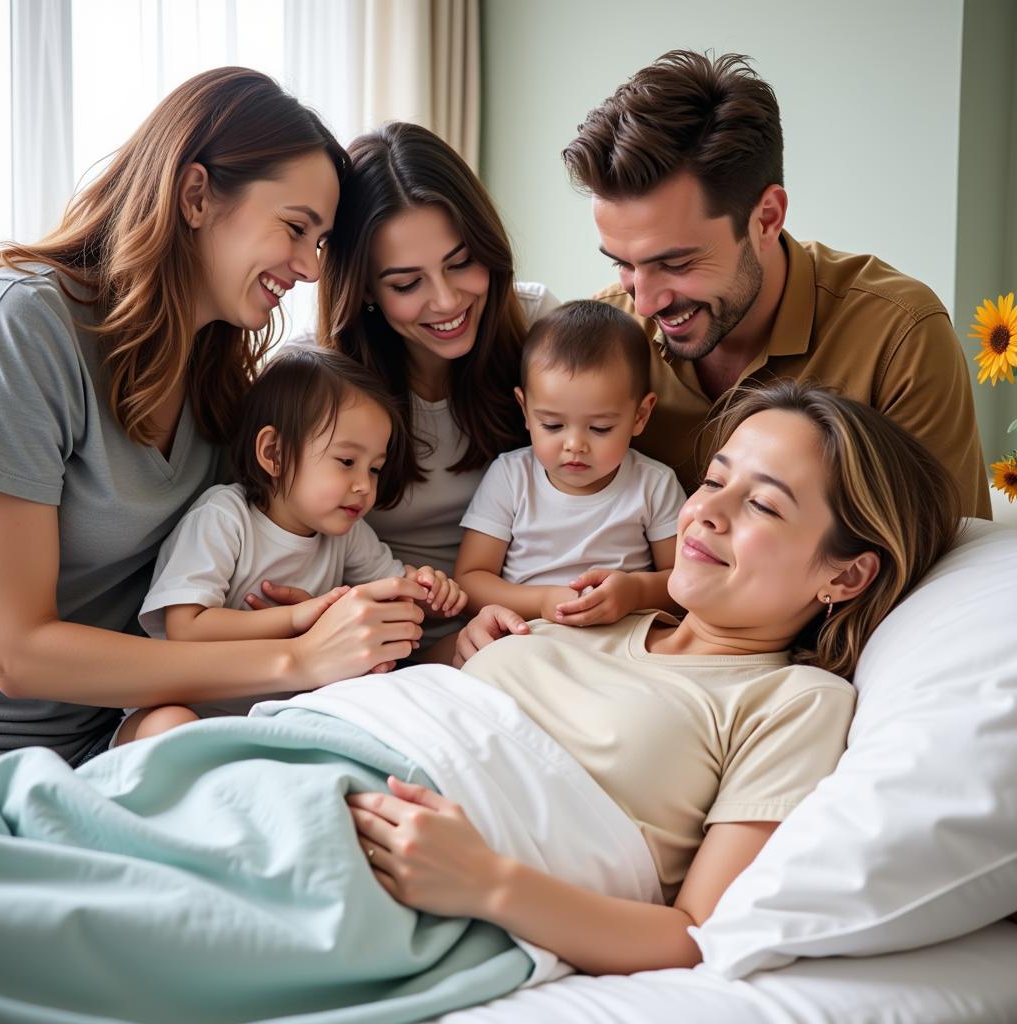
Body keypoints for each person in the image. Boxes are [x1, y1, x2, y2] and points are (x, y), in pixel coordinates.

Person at [349, 380, 962, 975]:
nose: (706, 513)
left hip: (396, 855)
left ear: (846, 577)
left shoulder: (794, 701)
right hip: (328, 748)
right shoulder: (600, 614)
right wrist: (459, 649)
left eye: (763, 504)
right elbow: (412, 704)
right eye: (715, 480)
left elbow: (695, 933)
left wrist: (487, 883)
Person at [0, 67, 430, 766]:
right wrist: (296, 658)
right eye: (297, 228)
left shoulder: (218, 374)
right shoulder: (27, 327)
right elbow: (17, 653)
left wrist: (319, 610)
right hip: (16, 744)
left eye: (321, 243)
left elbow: (259, 536)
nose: (313, 270)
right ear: (196, 194)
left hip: (137, 723)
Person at [561, 49, 991, 520]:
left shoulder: (897, 335)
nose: (644, 300)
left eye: (677, 263)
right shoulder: (603, 337)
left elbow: (951, 564)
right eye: (622, 264)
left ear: (766, 218)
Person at [119, 347, 467, 744]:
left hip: (282, 717)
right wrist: (298, 619)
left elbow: (392, 588)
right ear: (275, 454)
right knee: (170, 725)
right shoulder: (224, 517)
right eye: (346, 462)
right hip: (195, 706)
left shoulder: (346, 532)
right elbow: (186, 627)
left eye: (374, 469)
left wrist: (427, 590)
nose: (365, 486)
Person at [311, 122, 558, 656]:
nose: (446, 302)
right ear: (366, 290)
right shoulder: (319, 382)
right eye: (406, 284)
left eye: (461, 262)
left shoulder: (540, 327)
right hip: (385, 646)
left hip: (529, 623)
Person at [455, 299, 685, 625]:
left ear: (640, 415)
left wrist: (635, 592)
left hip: (624, 636)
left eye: (600, 428)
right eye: (552, 425)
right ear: (525, 410)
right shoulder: (511, 476)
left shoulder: (653, 483)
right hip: (528, 632)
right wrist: (543, 600)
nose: (575, 445)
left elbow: (686, 580)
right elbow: (471, 579)